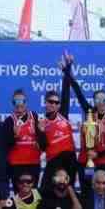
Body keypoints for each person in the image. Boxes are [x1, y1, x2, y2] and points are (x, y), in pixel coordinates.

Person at [66, 66, 105, 195]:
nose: (101, 102)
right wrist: (67, 70)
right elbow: (78, 92)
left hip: (103, 162)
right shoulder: (89, 112)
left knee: (103, 194)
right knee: (86, 193)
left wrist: (99, 154)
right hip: (84, 161)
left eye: (103, 99)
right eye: (97, 100)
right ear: (94, 102)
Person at [38, 58, 76, 192]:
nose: (54, 104)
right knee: (45, 190)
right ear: (45, 103)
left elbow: (66, 90)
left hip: (69, 159)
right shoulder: (41, 122)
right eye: (51, 101)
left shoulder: (63, 114)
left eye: (56, 102)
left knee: (68, 190)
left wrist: (68, 68)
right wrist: (41, 131)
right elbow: (42, 147)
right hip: (53, 161)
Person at [6, 89, 42, 190]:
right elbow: (5, 145)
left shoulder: (34, 116)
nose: (19, 104)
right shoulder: (9, 121)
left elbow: (41, 139)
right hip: (16, 164)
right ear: (13, 103)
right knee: (19, 196)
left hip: (33, 163)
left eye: (22, 101)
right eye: (16, 101)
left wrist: (40, 140)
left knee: (33, 194)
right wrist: (14, 136)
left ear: (26, 102)